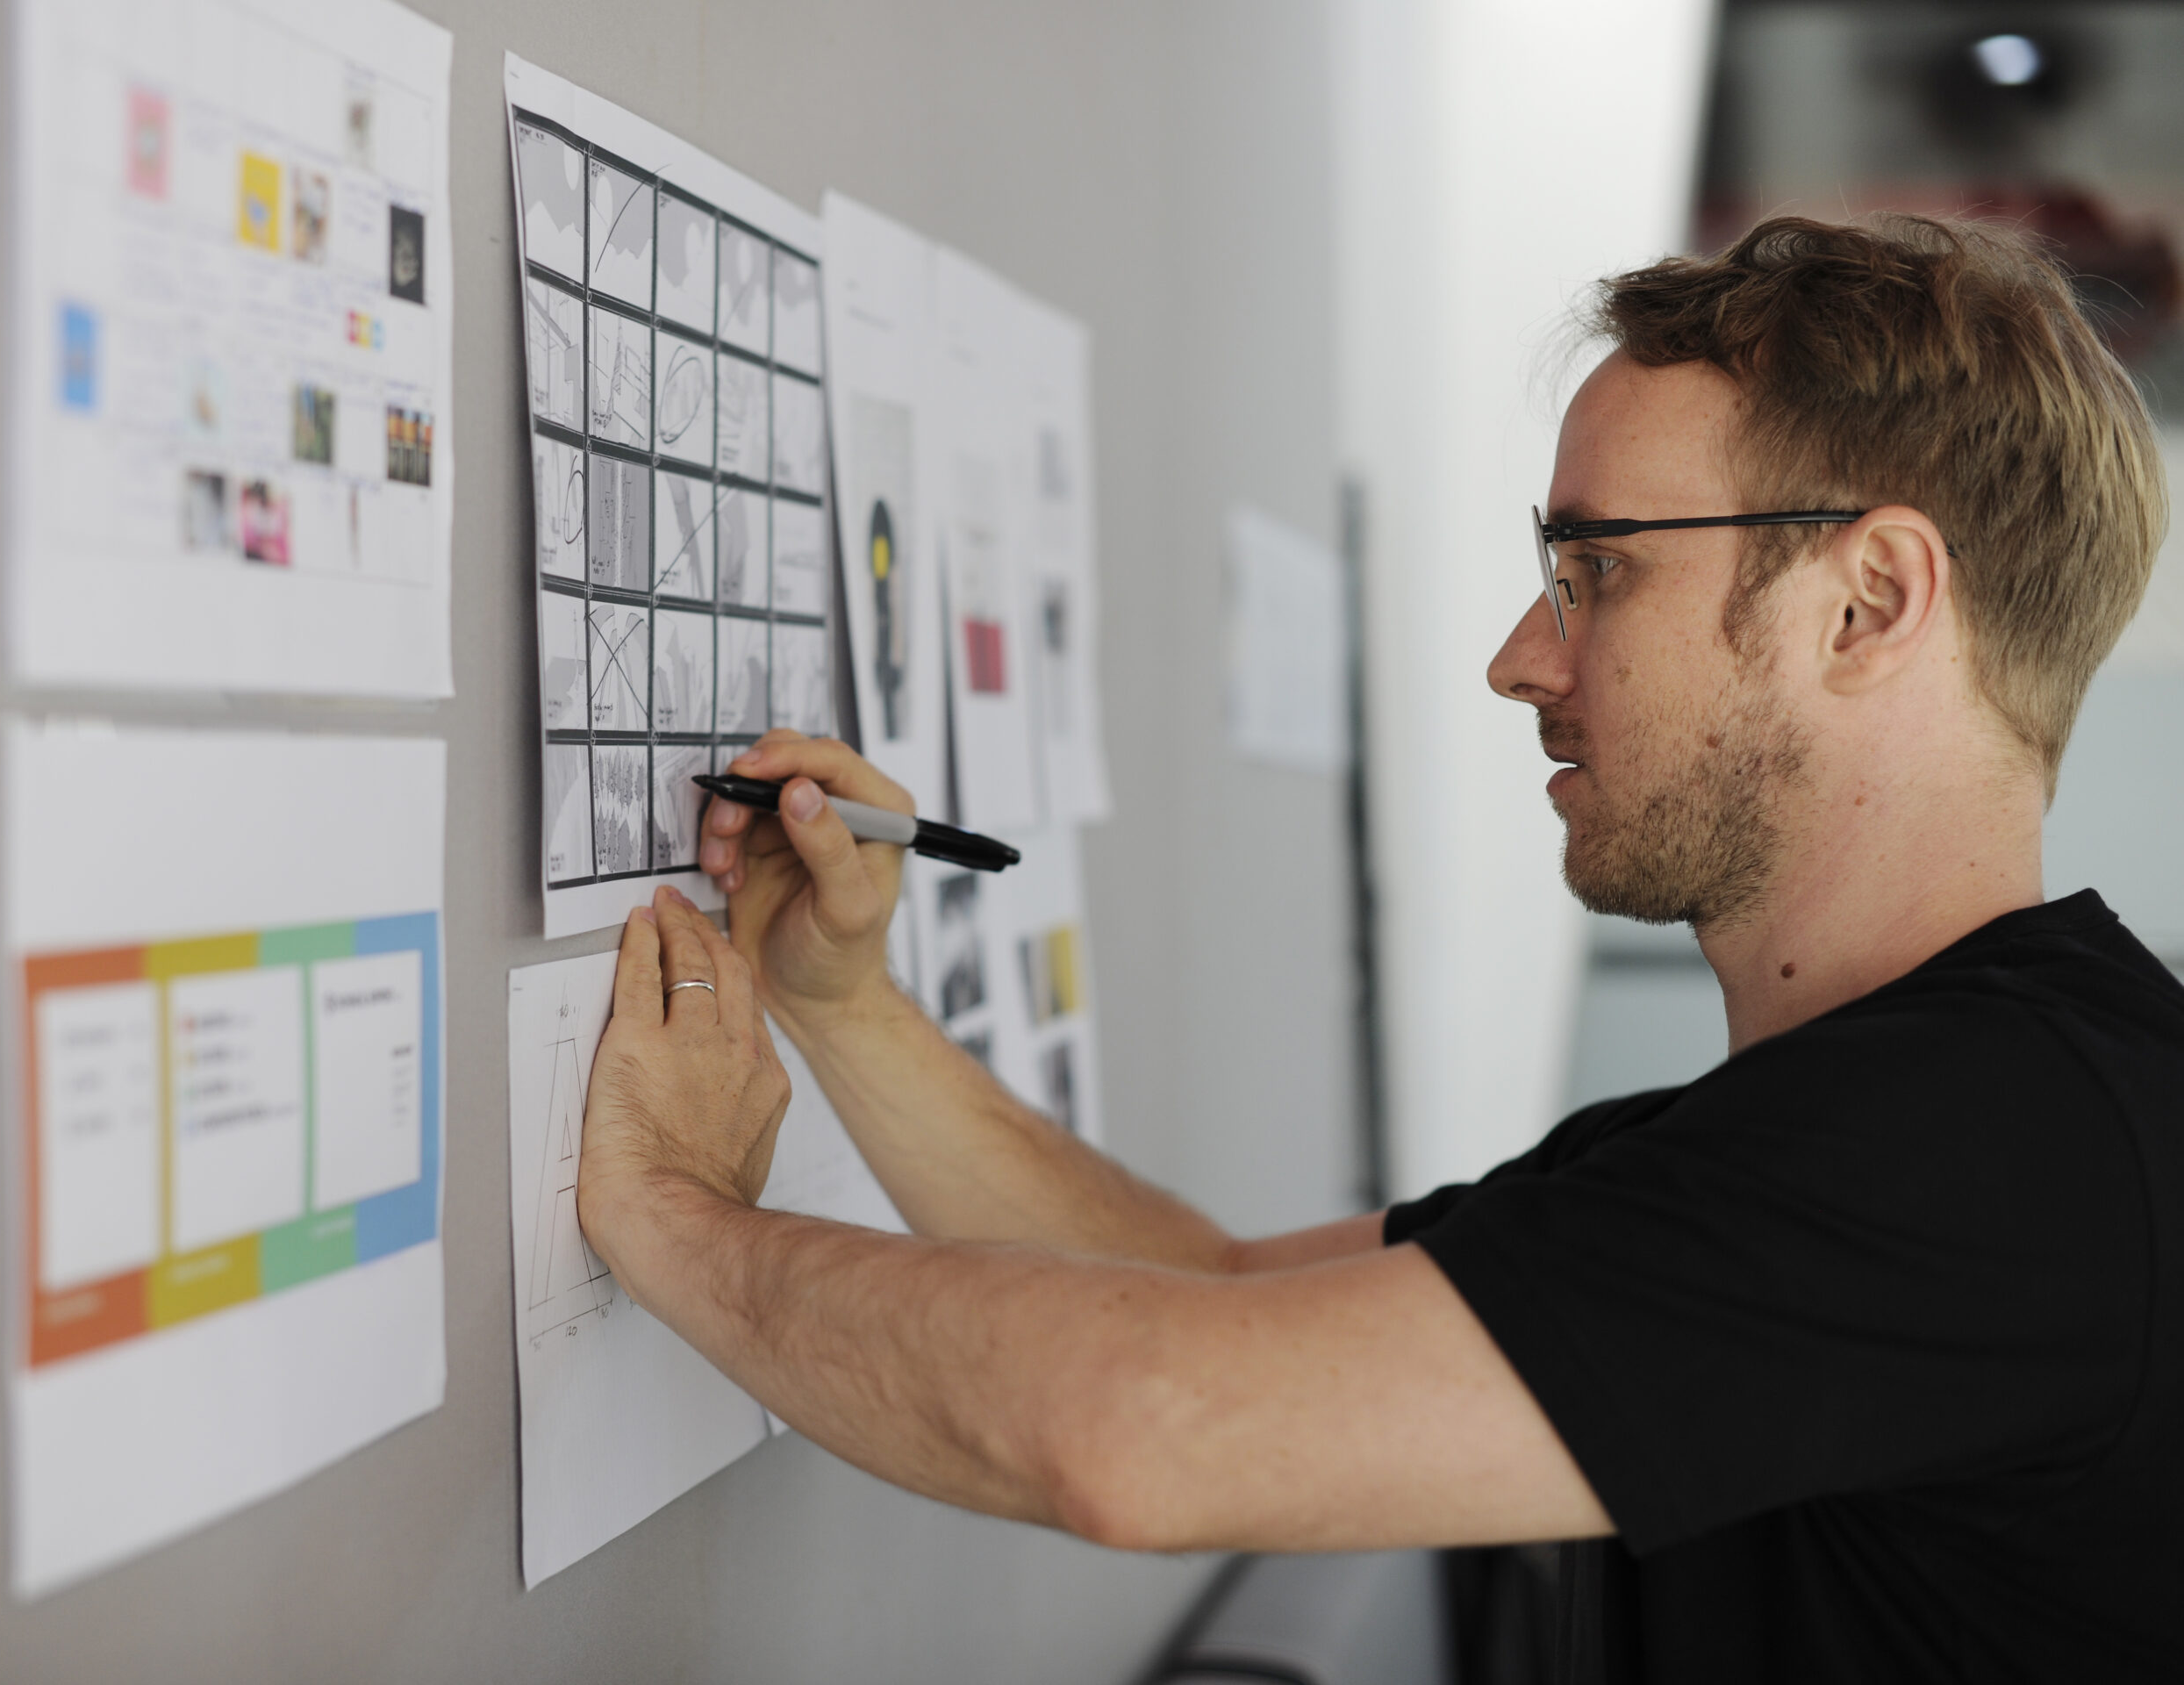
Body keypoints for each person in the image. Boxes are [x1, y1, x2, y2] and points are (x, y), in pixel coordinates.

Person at [573, 214, 2184, 1682]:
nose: (1520, 659)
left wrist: (667, 1216)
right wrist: (839, 1000)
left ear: (1869, 602)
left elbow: (1145, 1433)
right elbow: (1197, 1294)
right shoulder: (1898, 1125)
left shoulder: (1996, 1149)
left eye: (1598, 571)